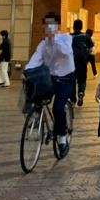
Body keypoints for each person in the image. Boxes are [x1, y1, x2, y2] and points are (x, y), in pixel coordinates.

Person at [26, 12, 76, 154]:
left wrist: (54, 38)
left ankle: (62, 138)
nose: (48, 27)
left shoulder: (66, 38)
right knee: (37, 98)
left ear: (57, 25)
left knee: (58, 108)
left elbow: (65, 52)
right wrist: (26, 72)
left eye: (51, 24)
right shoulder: (43, 43)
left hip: (66, 79)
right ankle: (36, 119)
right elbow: (36, 59)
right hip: (51, 78)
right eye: (46, 24)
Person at [71, 19, 95, 106]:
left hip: (71, 62)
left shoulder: (70, 37)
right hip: (82, 61)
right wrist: (86, 53)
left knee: (72, 80)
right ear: (81, 27)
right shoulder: (86, 36)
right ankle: (81, 93)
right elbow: (90, 49)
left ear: (73, 27)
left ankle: (73, 99)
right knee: (82, 79)